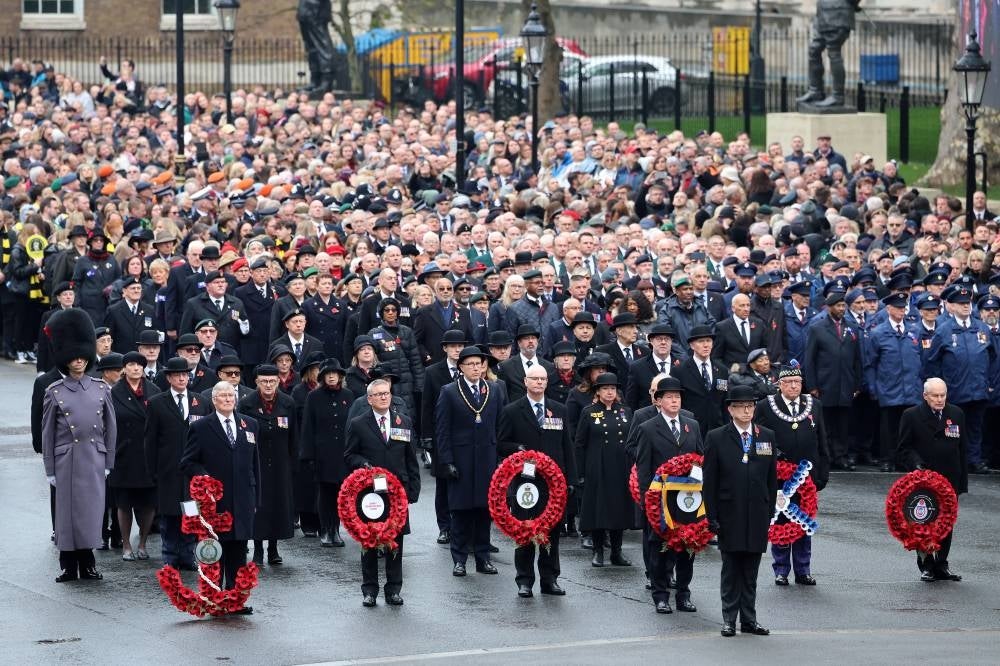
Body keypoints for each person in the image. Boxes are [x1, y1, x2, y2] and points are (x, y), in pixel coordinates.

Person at [41, 309, 117, 582]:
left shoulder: (100, 388)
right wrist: (49, 467)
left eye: (82, 358)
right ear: (66, 360)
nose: (79, 362)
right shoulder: (55, 392)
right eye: (74, 359)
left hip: (93, 456)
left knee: (91, 512)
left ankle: (87, 563)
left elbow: (111, 429)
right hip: (66, 458)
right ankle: (67, 565)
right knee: (66, 514)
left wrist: (108, 462)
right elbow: (47, 433)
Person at [497, 365, 578, 598]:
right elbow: (502, 443)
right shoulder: (512, 410)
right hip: (525, 483)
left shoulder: (558, 409)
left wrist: (571, 479)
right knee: (525, 531)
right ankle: (524, 580)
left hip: (553, 484)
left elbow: (567, 446)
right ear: (525, 381)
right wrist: (519, 450)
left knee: (551, 532)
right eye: (535, 379)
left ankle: (550, 578)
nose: (540, 383)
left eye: (543, 379)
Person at [703, 385, 778, 637]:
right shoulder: (717, 437)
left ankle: (749, 618)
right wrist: (711, 516)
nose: (747, 410)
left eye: (751, 406)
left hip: (757, 513)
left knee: (751, 571)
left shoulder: (765, 435)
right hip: (729, 513)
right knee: (731, 569)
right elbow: (709, 481)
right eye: (741, 406)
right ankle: (729, 619)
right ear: (730, 409)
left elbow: (771, 478)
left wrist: (769, 512)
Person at [181, 381, 260, 607]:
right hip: (216, 501)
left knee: (239, 549)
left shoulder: (250, 425)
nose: (227, 399)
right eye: (223, 396)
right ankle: (215, 598)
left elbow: (255, 465)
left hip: (244, 497)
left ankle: (234, 599)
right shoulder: (201, 427)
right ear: (214, 400)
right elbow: (188, 462)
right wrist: (205, 478)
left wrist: (257, 497)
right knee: (217, 551)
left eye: (230, 395)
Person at [345, 378, 421, 607]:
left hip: (397, 493)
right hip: (370, 494)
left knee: (395, 542)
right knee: (370, 540)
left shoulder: (403, 421)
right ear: (369, 399)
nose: (383, 397)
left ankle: (394, 589)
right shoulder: (359, 423)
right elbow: (349, 455)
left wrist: (413, 488)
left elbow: (410, 458)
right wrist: (365, 464)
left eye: (386, 393)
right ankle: (369, 590)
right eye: (378, 394)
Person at [753, 363, 830, 586]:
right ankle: (781, 570)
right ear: (780, 385)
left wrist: (822, 472)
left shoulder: (814, 405)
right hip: (779, 476)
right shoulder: (766, 406)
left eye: (798, 382)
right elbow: (760, 439)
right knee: (781, 522)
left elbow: (822, 439)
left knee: (804, 522)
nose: (794, 386)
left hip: (808, 477)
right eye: (789, 383)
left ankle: (803, 570)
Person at [633, 376, 704, 614]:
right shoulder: (647, 428)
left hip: (688, 499)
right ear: (658, 400)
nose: (674, 401)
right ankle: (660, 595)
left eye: (678, 397)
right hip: (660, 501)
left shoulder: (691, 425)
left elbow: (700, 459)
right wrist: (648, 503)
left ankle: (683, 594)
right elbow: (643, 470)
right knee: (660, 550)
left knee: (687, 547)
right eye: (669, 397)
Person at [436, 346, 505, 577]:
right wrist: (446, 460)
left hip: (487, 459)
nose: (476, 368)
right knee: (461, 512)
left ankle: (483, 557)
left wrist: (500, 459)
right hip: (461, 460)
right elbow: (443, 430)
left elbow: (499, 426)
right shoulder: (449, 391)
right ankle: (459, 559)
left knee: (484, 512)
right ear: (461, 367)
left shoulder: (494, 389)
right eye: (471, 364)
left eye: (479, 364)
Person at [897, 377, 968, 582]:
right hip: (924, 480)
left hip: (950, 478)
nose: (939, 399)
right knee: (923, 520)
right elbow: (904, 448)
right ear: (925, 396)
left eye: (943, 395)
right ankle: (926, 563)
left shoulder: (956, 414)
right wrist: (917, 465)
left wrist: (962, 482)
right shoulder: (911, 416)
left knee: (946, 522)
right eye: (935, 396)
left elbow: (962, 449)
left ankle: (941, 563)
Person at [144, 356, 211, 570]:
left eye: (185, 374)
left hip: (192, 472)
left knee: (191, 513)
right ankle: (170, 555)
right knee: (170, 516)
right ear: (170, 378)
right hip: (167, 470)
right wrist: (152, 470)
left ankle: (188, 554)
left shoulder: (200, 402)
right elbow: (150, 440)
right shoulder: (157, 403)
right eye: (177, 375)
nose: (182, 378)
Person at [926, 287, 994, 474]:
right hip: (955, 390)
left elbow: (993, 356)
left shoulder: (982, 328)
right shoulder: (944, 330)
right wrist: (940, 386)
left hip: (978, 389)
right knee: (951, 428)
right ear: (951, 306)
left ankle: (974, 459)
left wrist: (988, 382)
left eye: (968, 303)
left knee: (975, 427)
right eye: (961, 304)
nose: (966, 307)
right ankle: (952, 461)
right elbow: (932, 361)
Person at [239, 364, 297, 566]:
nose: (268, 385)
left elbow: (294, 437)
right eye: (264, 381)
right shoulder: (246, 404)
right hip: (257, 462)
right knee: (258, 507)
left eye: (272, 381)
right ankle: (257, 550)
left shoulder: (288, 403)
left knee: (277, 507)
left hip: (281, 464)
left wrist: (293, 463)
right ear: (256, 382)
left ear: (278, 382)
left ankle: (273, 548)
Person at [575, 372, 634, 568]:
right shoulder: (590, 412)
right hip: (598, 467)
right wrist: (581, 472)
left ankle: (616, 551)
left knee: (619, 509)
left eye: (613, 389)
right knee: (599, 509)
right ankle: (598, 550)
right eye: (605, 389)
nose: (610, 392)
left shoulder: (625, 411)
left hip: (621, 466)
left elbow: (632, 441)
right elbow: (580, 444)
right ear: (598, 391)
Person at [109, 351, 160, 562]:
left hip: (148, 454)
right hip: (124, 454)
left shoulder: (154, 390)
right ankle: (126, 545)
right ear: (124, 368)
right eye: (131, 364)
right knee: (124, 503)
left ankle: (142, 543)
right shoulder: (114, 392)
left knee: (148, 503)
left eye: (140, 365)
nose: (136, 368)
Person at [804, 291, 862, 471]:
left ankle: (841, 456)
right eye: (838, 306)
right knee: (826, 424)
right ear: (829, 307)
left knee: (843, 424)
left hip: (846, 384)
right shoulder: (817, 328)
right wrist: (812, 385)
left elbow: (857, 359)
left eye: (843, 305)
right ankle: (826, 457)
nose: (841, 309)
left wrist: (857, 383)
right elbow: (809, 359)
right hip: (825, 384)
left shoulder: (852, 327)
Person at [300, 359, 355, 546]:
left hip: (343, 452)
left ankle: (335, 530)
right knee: (325, 492)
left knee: (340, 492)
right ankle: (325, 530)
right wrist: (308, 455)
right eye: (327, 373)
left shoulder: (348, 395)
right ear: (322, 377)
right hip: (322, 453)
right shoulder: (313, 397)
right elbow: (307, 427)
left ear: (340, 376)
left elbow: (353, 425)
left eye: (335, 373)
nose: (331, 376)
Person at [866, 293, 924, 472]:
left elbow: (921, 359)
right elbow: (870, 363)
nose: (901, 311)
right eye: (898, 307)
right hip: (889, 388)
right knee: (889, 428)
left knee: (908, 429)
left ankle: (906, 459)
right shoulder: (878, 333)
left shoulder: (914, 331)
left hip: (911, 389)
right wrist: (873, 387)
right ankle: (887, 459)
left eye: (903, 307)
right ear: (888, 309)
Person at [420, 328, 468, 545]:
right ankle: (444, 526)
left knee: (465, 480)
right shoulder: (433, 372)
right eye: (453, 346)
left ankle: (464, 526)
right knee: (443, 483)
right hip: (442, 435)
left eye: (461, 346)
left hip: (466, 435)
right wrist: (427, 436)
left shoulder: (470, 369)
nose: (458, 349)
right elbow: (427, 405)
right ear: (445, 348)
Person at [674, 325, 729, 436]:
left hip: (718, 429)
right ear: (692, 345)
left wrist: (726, 426)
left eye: (708, 341)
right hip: (690, 429)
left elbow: (724, 401)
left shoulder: (722, 370)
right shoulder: (680, 371)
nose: (705, 345)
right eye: (701, 341)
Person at [496, 324, 558, 403]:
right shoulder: (506, 367)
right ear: (519, 343)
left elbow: (551, 396)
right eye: (526, 338)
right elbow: (503, 397)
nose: (531, 341)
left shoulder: (549, 367)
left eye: (533, 338)